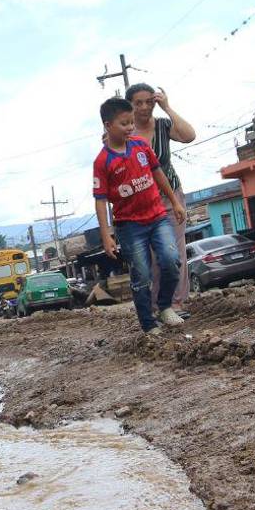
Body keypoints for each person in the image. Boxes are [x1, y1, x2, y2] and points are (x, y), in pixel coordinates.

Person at [93, 97, 186, 335]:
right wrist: (106, 235)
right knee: (142, 274)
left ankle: (165, 307)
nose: (130, 128)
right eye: (124, 123)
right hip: (130, 226)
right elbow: (100, 200)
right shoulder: (102, 162)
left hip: (157, 217)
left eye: (131, 123)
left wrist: (175, 202)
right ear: (108, 125)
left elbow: (158, 174)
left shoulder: (141, 146)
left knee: (171, 260)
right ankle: (148, 323)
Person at [125, 83, 196, 313]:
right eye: (138, 103)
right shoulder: (125, 135)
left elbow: (189, 135)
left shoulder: (164, 126)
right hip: (142, 203)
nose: (145, 107)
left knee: (175, 252)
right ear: (129, 106)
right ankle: (158, 305)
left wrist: (167, 107)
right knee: (154, 256)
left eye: (149, 102)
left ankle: (175, 302)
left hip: (171, 196)